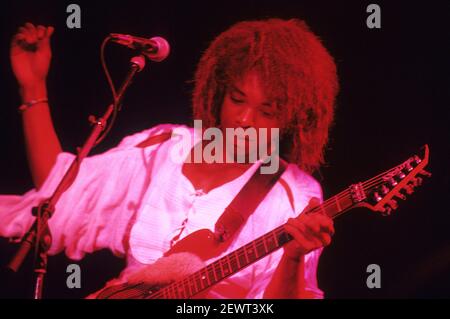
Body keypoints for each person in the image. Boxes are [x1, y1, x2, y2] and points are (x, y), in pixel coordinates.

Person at [1, 18, 338, 298]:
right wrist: (33, 88)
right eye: (237, 98)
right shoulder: (164, 149)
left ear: (293, 120)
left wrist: (293, 257)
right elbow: (60, 193)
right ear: (220, 89)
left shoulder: (293, 196)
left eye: (267, 111)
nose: (245, 119)